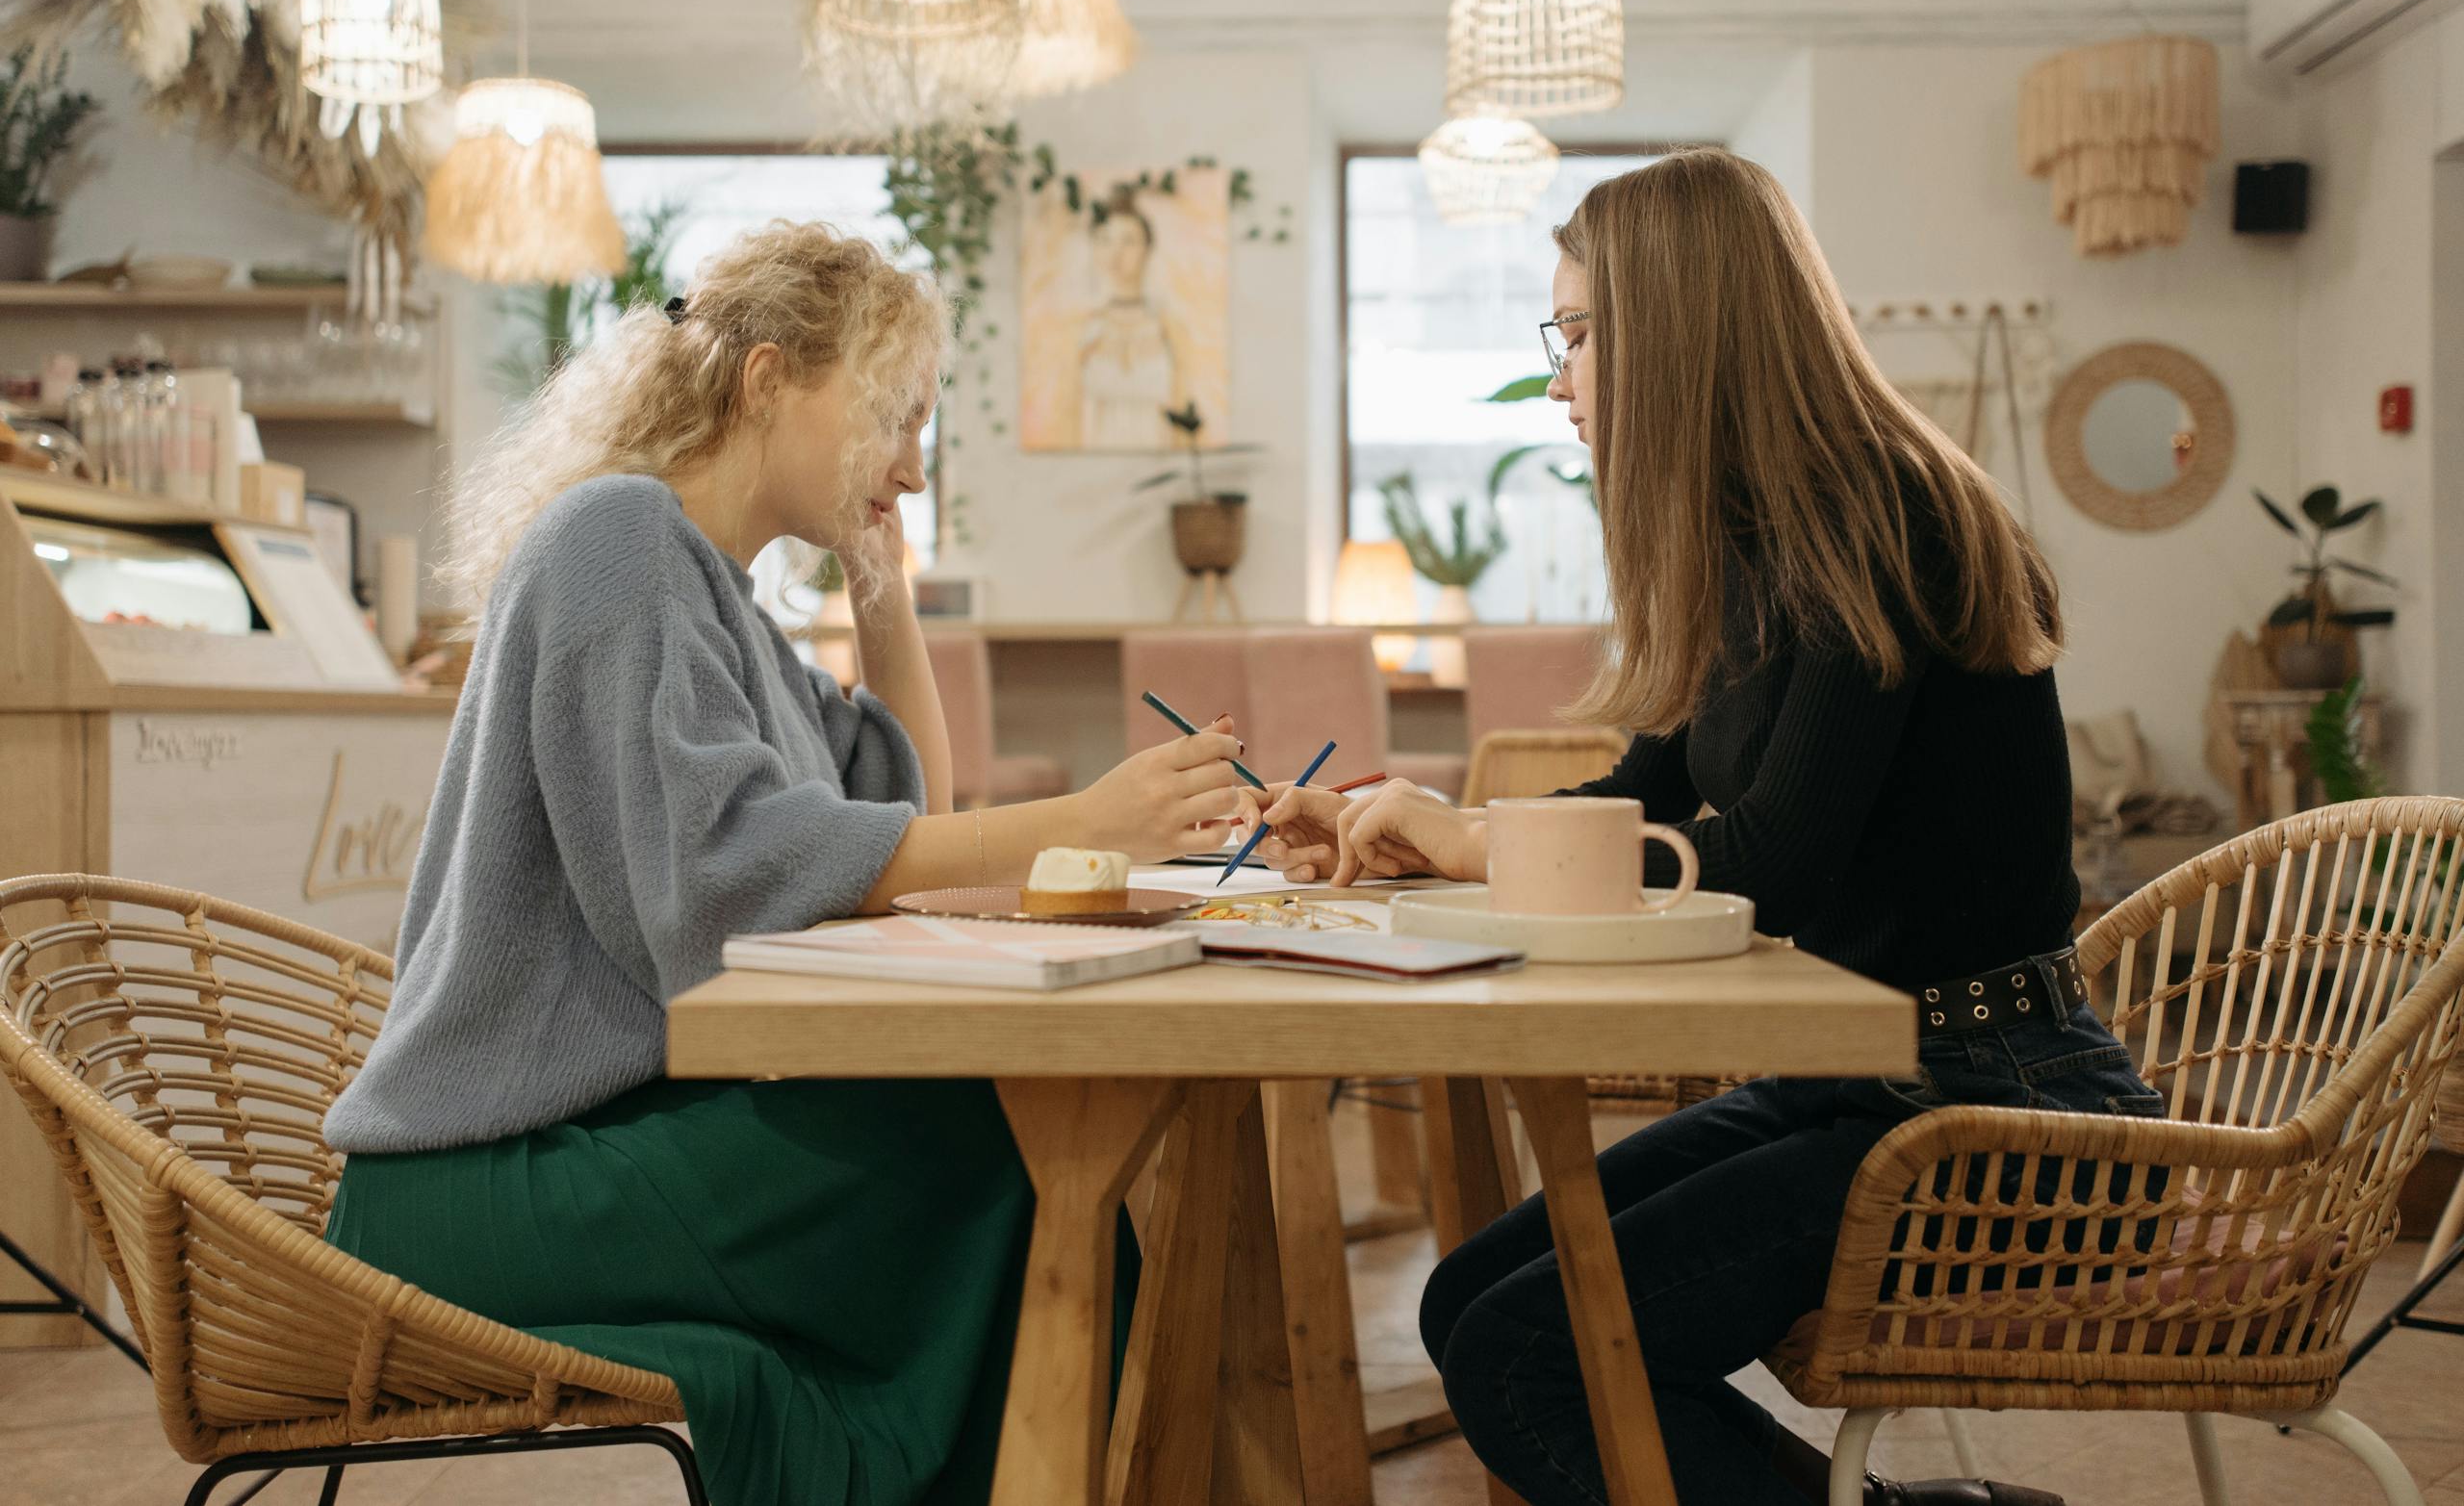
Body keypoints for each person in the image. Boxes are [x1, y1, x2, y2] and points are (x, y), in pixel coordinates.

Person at [1243, 150, 2151, 1506]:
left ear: (1677, 329)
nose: (1558, 376)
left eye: (1580, 334)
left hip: (2003, 1111)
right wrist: (1421, 825)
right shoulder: (1764, 542)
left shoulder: (1879, 513)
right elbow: (1644, 800)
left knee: (1520, 1355)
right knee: (1467, 1307)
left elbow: (1772, 862)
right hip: (1872, 1078)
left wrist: (1470, 840)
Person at [321, 221, 1249, 1506]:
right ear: (766, 380)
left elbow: (893, 806)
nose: (914, 467)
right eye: (892, 418)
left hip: (580, 1140)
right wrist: (1076, 818)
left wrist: (883, 588)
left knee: (984, 1160)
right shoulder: (618, 540)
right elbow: (720, 889)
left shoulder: (715, 596)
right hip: (485, 1173)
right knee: (984, 1171)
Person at [1065, 195, 1186, 448]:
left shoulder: (1167, 324)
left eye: (1128, 241)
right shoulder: (1082, 327)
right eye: (1105, 240)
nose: (1115, 253)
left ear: (1147, 248)